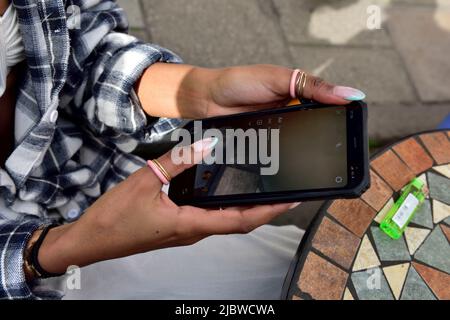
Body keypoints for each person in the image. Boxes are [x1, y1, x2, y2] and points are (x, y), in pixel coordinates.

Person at [0, 0, 366, 299]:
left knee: (294, 258)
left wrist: (202, 92)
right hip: (31, 273)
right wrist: (63, 248)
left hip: (104, 181)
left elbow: (78, 51)